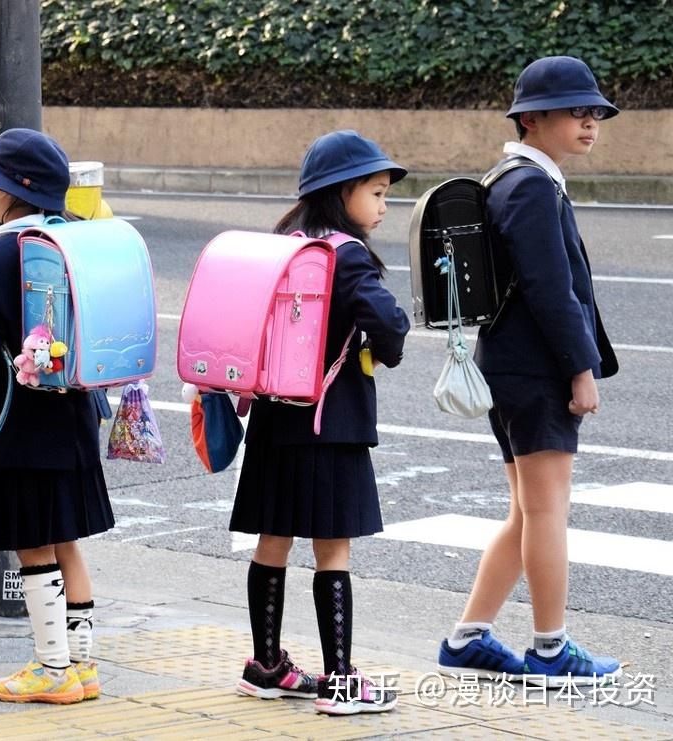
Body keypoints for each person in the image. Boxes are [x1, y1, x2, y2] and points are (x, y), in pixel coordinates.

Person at [439, 56, 621, 685]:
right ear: (531, 118)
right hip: (535, 371)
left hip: (509, 367)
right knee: (546, 511)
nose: (591, 123)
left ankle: (468, 636)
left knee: (524, 510)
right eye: (578, 111)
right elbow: (550, 288)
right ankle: (550, 649)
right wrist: (580, 369)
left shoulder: (510, 179)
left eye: (595, 113)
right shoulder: (532, 187)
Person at [230, 130, 410, 715]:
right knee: (333, 550)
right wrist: (389, 342)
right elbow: (389, 324)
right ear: (343, 192)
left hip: (274, 420)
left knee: (272, 540)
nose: (383, 207)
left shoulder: (283, 244)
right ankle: (340, 682)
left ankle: (267, 666)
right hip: (332, 426)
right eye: (377, 193)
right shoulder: (347, 253)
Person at [0, 128, 114, 704]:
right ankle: (83, 666)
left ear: (3, 191)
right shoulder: (76, 239)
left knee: (33, 548)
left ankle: (51, 668)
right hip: (74, 422)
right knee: (67, 541)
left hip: (14, 427)